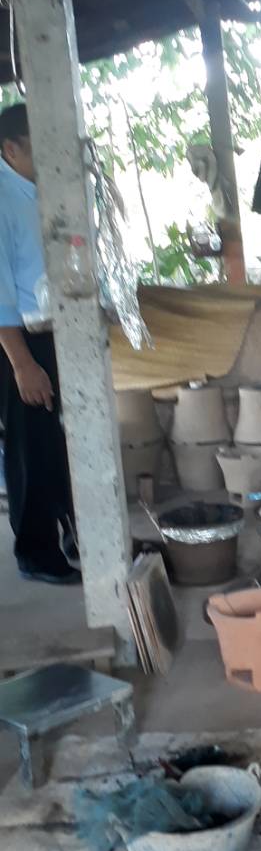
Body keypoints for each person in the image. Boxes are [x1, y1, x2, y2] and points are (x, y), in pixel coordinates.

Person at [0, 101, 79, 584]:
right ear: (11, 148)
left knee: (61, 442)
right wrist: (23, 364)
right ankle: (36, 553)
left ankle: (73, 529)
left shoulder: (40, 191)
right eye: (41, 143)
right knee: (30, 447)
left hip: (55, 330)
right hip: (17, 342)